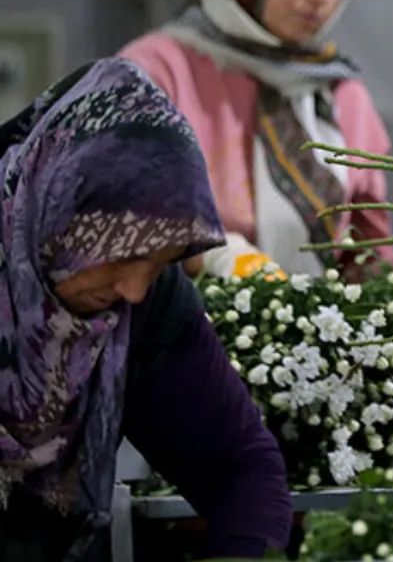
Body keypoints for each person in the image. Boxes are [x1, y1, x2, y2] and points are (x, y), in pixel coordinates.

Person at [0, 58, 292, 560]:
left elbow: (239, 467)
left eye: (159, 265)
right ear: (60, 210)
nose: (134, 290)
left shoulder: (147, 304)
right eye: (127, 254)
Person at [118, 0, 393, 281]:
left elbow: (369, 261)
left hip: (320, 336)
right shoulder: (153, 73)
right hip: (178, 331)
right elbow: (114, 221)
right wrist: (219, 257)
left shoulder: (341, 96)